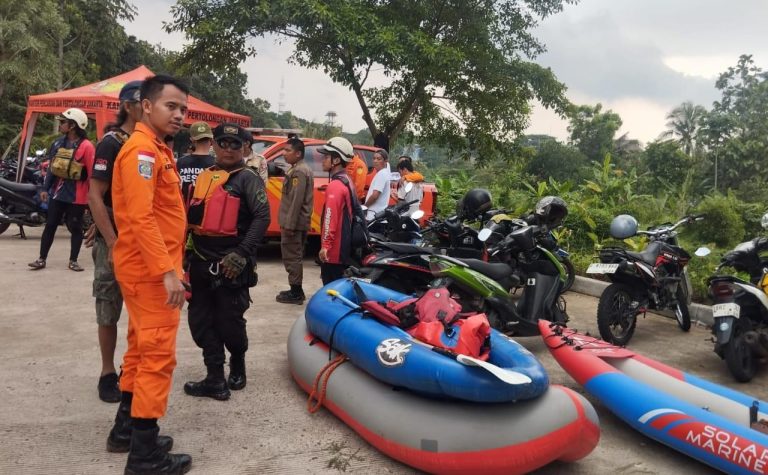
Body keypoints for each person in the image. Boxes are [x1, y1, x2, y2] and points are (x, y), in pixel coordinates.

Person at [106, 74, 192, 474]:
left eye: (183, 109)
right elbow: (140, 218)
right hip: (151, 273)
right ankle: (145, 456)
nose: (179, 115)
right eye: (171, 106)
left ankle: (127, 429)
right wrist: (167, 272)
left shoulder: (154, 149)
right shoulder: (141, 152)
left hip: (148, 269)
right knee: (157, 357)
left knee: (141, 349)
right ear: (146, 106)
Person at [183, 123, 270, 400]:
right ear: (214, 145)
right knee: (200, 322)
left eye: (236, 144)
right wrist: (184, 256)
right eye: (223, 143)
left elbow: (262, 217)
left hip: (231, 264)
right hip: (198, 260)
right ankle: (214, 377)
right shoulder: (204, 176)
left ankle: (237, 362)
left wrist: (242, 253)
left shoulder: (249, 178)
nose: (229, 148)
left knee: (229, 322)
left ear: (245, 148)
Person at [88, 80, 143, 403]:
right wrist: (111, 240)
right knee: (108, 305)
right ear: (127, 105)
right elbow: (96, 196)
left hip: (142, 241)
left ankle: (131, 368)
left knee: (141, 310)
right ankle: (108, 371)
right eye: (141, 101)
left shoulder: (151, 142)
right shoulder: (111, 143)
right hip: (116, 239)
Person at [28, 108, 95, 272]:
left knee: (75, 227)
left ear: (73, 125)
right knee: (50, 225)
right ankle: (41, 259)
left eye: (63, 122)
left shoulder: (87, 147)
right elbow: (51, 168)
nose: (60, 124)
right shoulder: (58, 143)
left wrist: (93, 199)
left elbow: (92, 174)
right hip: (58, 193)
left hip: (77, 196)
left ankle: (73, 261)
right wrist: (45, 188)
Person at [276, 137, 313, 304]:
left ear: (298, 154)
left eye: (287, 150)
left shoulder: (299, 171)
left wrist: (289, 225)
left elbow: (296, 201)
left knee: (292, 256)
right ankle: (295, 289)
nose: (284, 154)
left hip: (294, 223)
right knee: (294, 255)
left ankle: (296, 291)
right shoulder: (298, 169)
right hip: (297, 222)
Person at [318, 136, 356, 284]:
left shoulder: (335, 185)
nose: (323, 160)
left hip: (333, 252)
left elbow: (330, 218)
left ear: (336, 160)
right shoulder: (346, 180)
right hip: (343, 249)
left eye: (327, 156)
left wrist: (325, 246)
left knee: (330, 292)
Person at [177, 121, 214, 200]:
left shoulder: (180, 162)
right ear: (211, 139)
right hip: (208, 210)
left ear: (192, 140)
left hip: (182, 209)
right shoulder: (217, 164)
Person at [363, 149, 391, 219]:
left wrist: (365, 206)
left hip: (373, 216)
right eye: (374, 158)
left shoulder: (382, 174)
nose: (375, 161)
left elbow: (375, 195)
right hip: (377, 215)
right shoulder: (383, 173)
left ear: (385, 161)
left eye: (379, 159)